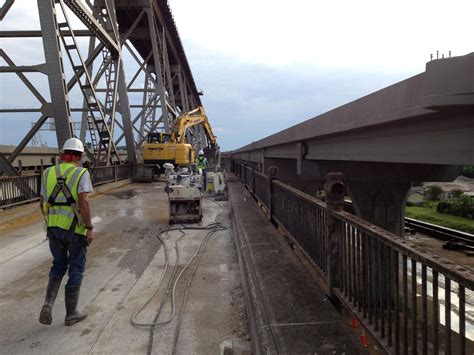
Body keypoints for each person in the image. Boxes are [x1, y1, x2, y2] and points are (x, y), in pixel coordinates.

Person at [39, 137, 94, 326]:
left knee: (58, 266)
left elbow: (43, 202)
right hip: (75, 230)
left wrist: (49, 223)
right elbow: (83, 202)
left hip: (53, 228)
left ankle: (48, 303)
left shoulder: (47, 173)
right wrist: (89, 228)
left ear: (62, 155)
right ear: (78, 157)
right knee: (76, 269)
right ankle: (71, 314)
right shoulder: (81, 174)